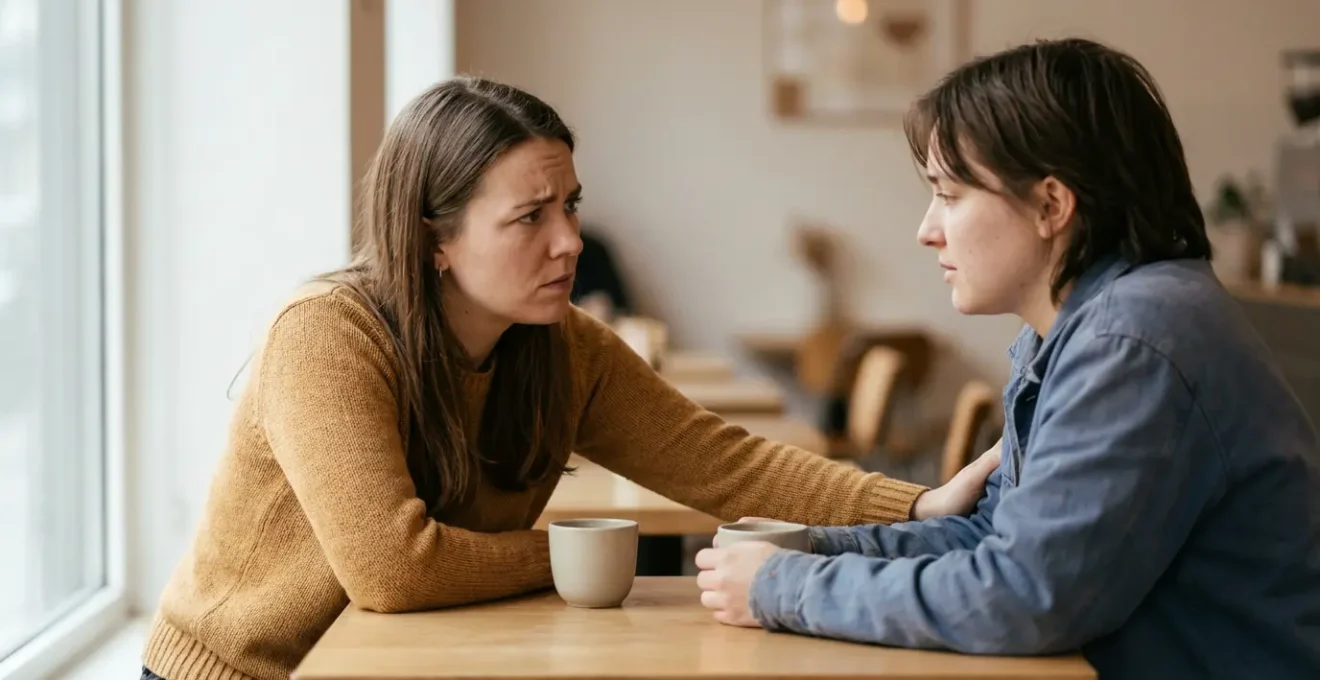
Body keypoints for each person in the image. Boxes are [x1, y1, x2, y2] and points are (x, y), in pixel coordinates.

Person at [138, 77, 1000, 680]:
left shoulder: (558, 345)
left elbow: (721, 462)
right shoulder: (328, 334)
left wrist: (915, 504)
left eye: (571, 205)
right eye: (529, 217)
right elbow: (393, 572)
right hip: (247, 673)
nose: (571, 241)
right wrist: (581, 558)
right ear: (435, 239)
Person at [695, 37, 1320, 679]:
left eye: (950, 194)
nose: (927, 228)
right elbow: (992, 539)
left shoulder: (1131, 340)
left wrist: (788, 587)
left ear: (1052, 205)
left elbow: (1024, 596)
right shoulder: (1080, 327)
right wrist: (808, 547)